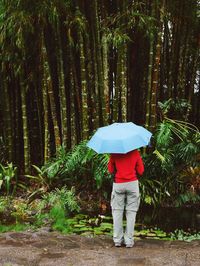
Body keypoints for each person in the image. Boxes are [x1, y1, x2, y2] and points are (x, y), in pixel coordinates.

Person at [108, 149, 144, 248]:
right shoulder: (135, 152)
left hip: (118, 184)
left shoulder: (114, 152)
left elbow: (110, 170)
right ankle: (129, 241)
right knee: (131, 212)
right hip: (132, 184)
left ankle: (117, 240)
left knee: (117, 212)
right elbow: (141, 171)